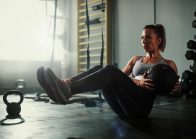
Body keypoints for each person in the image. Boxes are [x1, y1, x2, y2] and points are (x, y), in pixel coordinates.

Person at [37, 24, 180, 118]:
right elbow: (119, 78)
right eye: (142, 37)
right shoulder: (135, 59)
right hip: (121, 106)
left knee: (110, 70)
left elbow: (176, 91)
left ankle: (67, 90)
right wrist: (137, 81)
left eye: (148, 37)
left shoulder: (167, 64)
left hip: (140, 108)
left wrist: (176, 88)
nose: (144, 41)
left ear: (159, 40)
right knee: (103, 69)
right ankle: (64, 85)